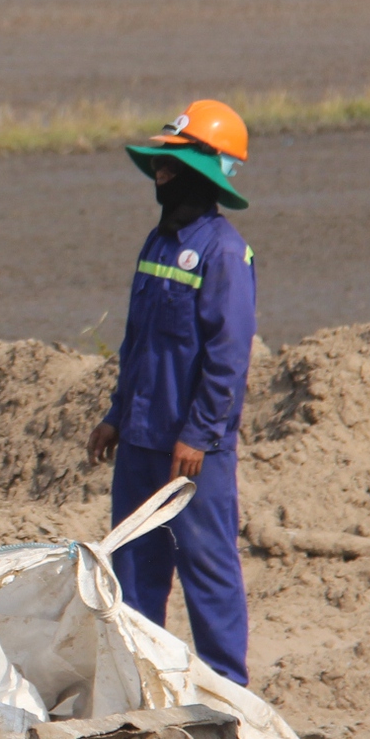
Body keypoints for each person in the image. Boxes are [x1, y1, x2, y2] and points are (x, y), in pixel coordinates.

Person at [85, 100, 257, 685]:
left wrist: (200, 434)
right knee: (134, 569)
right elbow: (138, 343)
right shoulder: (157, 245)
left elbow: (227, 358)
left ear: (204, 169)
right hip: (139, 439)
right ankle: (141, 689)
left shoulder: (224, 252)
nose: (161, 169)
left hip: (192, 451)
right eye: (160, 159)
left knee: (208, 570)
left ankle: (229, 695)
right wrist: (115, 415)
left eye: (174, 160)